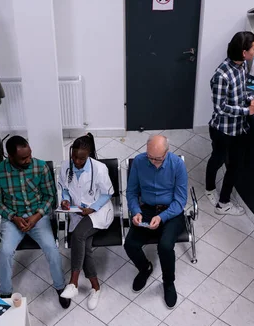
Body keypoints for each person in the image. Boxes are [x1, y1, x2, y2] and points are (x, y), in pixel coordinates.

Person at [0, 136, 70, 308]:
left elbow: (50, 197)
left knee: (51, 249)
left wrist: (37, 216)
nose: (28, 160)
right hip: (13, 218)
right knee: (4, 252)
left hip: (37, 216)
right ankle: (5, 292)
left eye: (29, 155)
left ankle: (60, 286)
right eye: (23, 158)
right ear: (10, 157)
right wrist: (13, 217)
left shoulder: (40, 167)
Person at [205, 31, 254, 216]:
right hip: (222, 130)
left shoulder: (242, 66)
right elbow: (220, 108)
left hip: (239, 128)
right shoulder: (221, 76)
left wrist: (251, 100)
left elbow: (241, 92)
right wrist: (248, 111)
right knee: (218, 159)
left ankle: (223, 202)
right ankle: (209, 189)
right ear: (244, 52)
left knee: (234, 165)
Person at [124, 135, 187, 309]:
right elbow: (131, 192)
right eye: (150, 157)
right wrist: (136, 211)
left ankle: (168, 282)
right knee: (130, 244)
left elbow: (181, 201)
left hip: (171, 211)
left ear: (167, 153)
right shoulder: (139, 162)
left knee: (165, 246)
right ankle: (145, 268)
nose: (153, 162)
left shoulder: (177, 165)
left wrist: (162, 217)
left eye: (158, 159)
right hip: (147, 209)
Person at [58, 133, 114, 310]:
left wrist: (93, 208)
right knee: (85, 248)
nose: (76, 161)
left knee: (78, 235)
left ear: (89, 155)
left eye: (81, 158)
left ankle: (73, 282)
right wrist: (65, 199)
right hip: (77, 212)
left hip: (98, 211)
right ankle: (95, 288)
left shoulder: (99, 169)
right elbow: (64, 188)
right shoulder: (66, 166)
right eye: (74, 156)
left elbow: (107, 193)